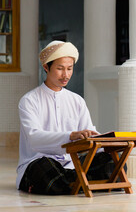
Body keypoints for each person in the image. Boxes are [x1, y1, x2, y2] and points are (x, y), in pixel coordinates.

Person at [16, 40, 113, 195]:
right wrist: (70, 136)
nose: (66, 75)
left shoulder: (77, 101)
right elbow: (35, 138)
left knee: (111, 161)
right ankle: (84, 181)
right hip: (40, 161)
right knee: (45, 168)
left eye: (69, 68)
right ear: (46, 67)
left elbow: (90, 133)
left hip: (71, 164)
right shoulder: (29, 100)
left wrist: (108, 144)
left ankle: (71, 181)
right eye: (60, 69)